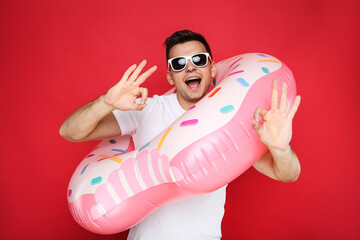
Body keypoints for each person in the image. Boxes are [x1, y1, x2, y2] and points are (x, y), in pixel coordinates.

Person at [60, 30, 301, 240]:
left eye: (198, 59)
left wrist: (281, 149)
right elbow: (69, 132)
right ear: (170, 77)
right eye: (179, 64)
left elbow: (287, 174)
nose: (190, 67)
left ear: (212, 67)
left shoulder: (230, 120)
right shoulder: (146, 108)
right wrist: (106, 102)